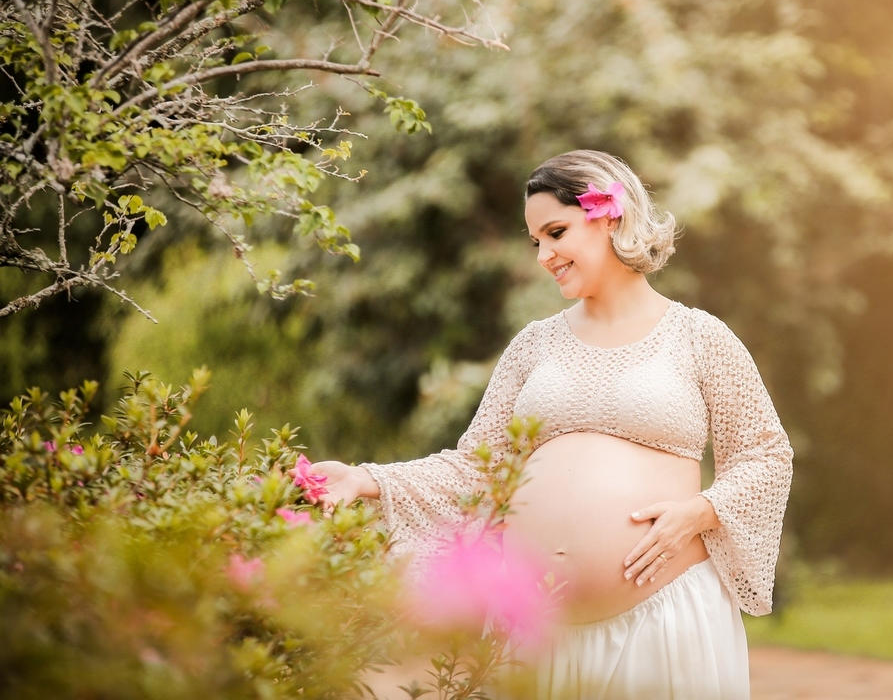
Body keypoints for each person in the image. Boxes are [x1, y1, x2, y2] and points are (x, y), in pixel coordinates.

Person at [312, 150, 794, 699]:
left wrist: (700, 512)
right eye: (535, 240)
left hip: (666, 617)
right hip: (536, 635)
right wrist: (364, 480)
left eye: (556, 231)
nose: (544, 255)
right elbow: (480, 468)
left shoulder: (699, 337)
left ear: (610, 215)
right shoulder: (534, 344)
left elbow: (764, 455)